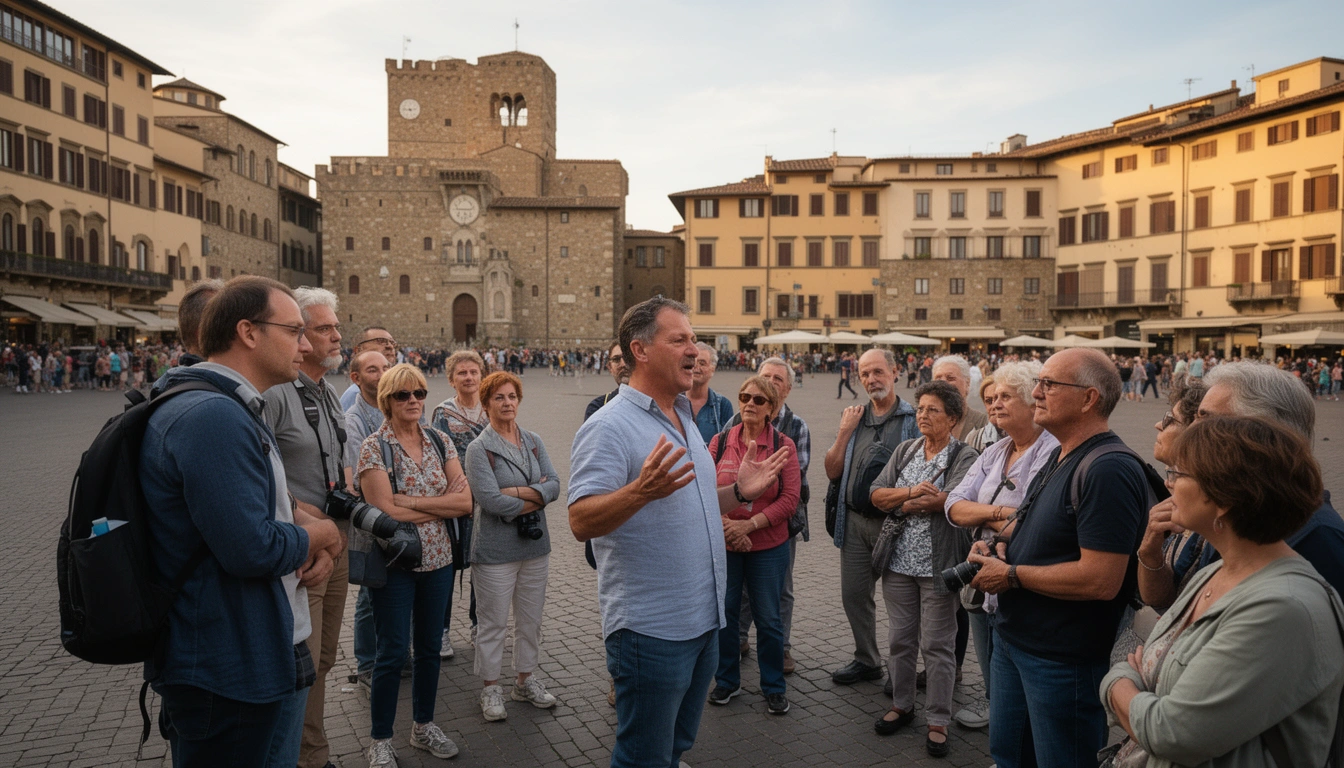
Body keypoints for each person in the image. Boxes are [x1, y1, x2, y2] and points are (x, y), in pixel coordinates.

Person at [568, 297, 791, 768]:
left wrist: (739, 492)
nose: (695, 348)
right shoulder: (607, 426)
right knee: (641, 756)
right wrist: (639, 493)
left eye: (694, 338)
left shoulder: (684, 418)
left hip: (704, 623)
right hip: (651, 632)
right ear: (641, 350)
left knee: (676, 746)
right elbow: (580, 520)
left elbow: (698, 501)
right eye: (680, 339)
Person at [142, 276, 342, 766]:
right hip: (227, 664)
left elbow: (266, 506)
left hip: (257, 646)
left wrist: (306, 533)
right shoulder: (212, 416)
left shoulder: (232, 407)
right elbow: (252, 547)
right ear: (248, 333)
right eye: (294, 330)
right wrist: (325, 533)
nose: (305, 344)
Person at [1101, 416, 1344, 768]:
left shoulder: (1281, 607)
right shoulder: (1218, 571)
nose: (1168, 484)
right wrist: (1141, 693)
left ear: (1225, 497)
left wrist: (1118, 680)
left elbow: (1172, 734)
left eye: (1178, 474)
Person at [967, 348, 1149, 768]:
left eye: (1049, 384)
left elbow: (1101, 578)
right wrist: (997, 545)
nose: (1036, 393)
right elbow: (1032, 526)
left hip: (1061, 658)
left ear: (1088, 398)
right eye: (1038, 383)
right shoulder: (1059, 453)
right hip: (1015, 642)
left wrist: (1011, 575)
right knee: (1009, 757)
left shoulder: (1109, 468)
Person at [356, 364, 473, 766]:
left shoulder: (440, 441)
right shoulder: (374, 447)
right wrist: (435, 507)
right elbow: (383, 512)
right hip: (395, 564)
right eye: (403, 395)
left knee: (427, 649)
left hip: (440, 562)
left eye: (419, 393)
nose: (413, 402)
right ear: (387, 400)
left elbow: (466, 503)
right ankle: (380, 739)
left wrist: (410, 501)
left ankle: (423, 726)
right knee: (390, 653)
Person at [260, 287, 350, 768]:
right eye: (324, 329)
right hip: (305, 549)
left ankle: (309, 750)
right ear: (298, 336)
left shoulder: (329, 393)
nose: (337, 336)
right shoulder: (275, 396)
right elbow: (262, 474)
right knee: (303, 662)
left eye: (335, 327)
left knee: (324, 660)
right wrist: (309, 524)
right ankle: (307, 757)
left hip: (337, 544)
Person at [945, 360, 1058, 732]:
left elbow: (1034, 521)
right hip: (982, 572)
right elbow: (954, 504)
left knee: (1023, 669)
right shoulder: (996, 451)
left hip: (1022, 579)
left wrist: (985, 515)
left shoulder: (1052, 451)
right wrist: (998, 513)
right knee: (992, 659)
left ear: (1032, 403)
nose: (994, 404)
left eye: (1005, 397)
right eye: (991, 398)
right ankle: (1000, 711)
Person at [869, 381, 978, 757]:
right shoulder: (906, 449)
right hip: (897, 565)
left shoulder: (964, 455)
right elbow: (877, 495)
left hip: (939, 567)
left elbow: (955, 502)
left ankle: (938, 719)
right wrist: (913, 494)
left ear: (952, 418)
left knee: (937, 645)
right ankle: (902, 704)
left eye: (933, 410)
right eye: (920, 409)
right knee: (900, 639)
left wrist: (917, 500)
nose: (923, 416)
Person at [1183, 362, 1344, 596]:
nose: (1190, 432)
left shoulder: (1318, 537)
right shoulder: (1239, 506)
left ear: (1263, 434)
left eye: (1207, 421)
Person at [463, 372, 561, 722]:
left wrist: (518, 494)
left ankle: (525, 680)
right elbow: (489, 500)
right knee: (492, 624)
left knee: (530, 620)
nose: (507, 403)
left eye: (512, 397)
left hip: (535, 546)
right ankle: (491, 687)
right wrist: (535, 493)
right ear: (487, 404)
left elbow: (555, 485)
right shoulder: (478, 449)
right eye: (499, 398)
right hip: (496, 550)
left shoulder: (533, 440)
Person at [706, 376, 802, 715]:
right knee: (726, 616)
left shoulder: (782, 446)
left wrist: (750, 525)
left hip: (767, 547)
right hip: (726, 544)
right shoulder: (719, 442)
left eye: (759, 400)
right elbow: (701, 495)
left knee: (769, 619)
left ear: (771, 410)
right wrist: (728, 528)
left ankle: (774, 686)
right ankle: (727, 681)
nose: (749, 403)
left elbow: (790, 500)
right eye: (744, 396)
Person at [826, 348, 920, 686]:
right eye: (864, 374)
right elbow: (832, 471)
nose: (871, 380)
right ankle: (867, 659)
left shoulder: (912, 419)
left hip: (895, 526)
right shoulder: (854, 416)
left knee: (902, 604)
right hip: (853, 523)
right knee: (853, 595)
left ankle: (901, 670)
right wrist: (843, 432)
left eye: (878, 372)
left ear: (895, 373)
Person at [737, 357, 813, 675]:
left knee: (781, 587)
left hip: (781, 520)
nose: (771, 382)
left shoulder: (797, 427)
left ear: (788, 388)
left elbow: (790, 480)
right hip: (739, 518)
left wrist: (756, 497)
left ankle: (781, 648)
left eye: (778, 379)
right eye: (765, 376)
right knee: (740, 586)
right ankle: (738, 639)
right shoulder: (736, 421)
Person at [430, 349, 490, 657]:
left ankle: (479, 625)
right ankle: (440, 631)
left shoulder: (491, 407)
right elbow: (439, 457)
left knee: (482, 567)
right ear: (452, 379)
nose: (469, 377)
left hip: (488, 502)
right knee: (448, 568)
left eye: (473, 372)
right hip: (456, 502)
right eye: (462, 373)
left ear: (482, 375)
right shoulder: (443, 413)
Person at [343, 349, 393, 692]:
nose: (382, 373)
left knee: (397, 586)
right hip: (372, 519)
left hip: (400, 515)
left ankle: (393, 654)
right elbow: (363, 477)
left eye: (386, 367)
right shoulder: (354, 420)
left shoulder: (397, 408)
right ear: (356, 379)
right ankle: (367, 664)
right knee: (369, 592)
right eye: (373, 369)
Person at [1135, 381, 1208, 610]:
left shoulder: (1210, 512)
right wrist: (1149, 552)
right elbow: (1157, 598)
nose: (1159, 425)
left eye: (1170, 420)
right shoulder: (1175, 500)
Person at [932, 355, 989, 442]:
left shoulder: (983, 423)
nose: (943, 383)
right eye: (938, 378)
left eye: (950, 378)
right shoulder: (924, 421)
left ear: (967, 383)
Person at [340, 327, 398, 409]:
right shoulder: (356, 396)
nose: (390, 346)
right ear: (359, 349)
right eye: (380, 341)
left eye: (392, 343)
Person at [688, 342, 734, 444]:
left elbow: (729, 445)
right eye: (693, 361)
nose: (696, 367)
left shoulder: (723, 406)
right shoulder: (673, 402)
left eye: (702, 363)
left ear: (712, 369)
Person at [585, 342, 629, 420]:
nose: (623, 364)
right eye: (616, 359)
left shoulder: (656, 404)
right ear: (610, 368)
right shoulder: (598, 407)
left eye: (628, 357)